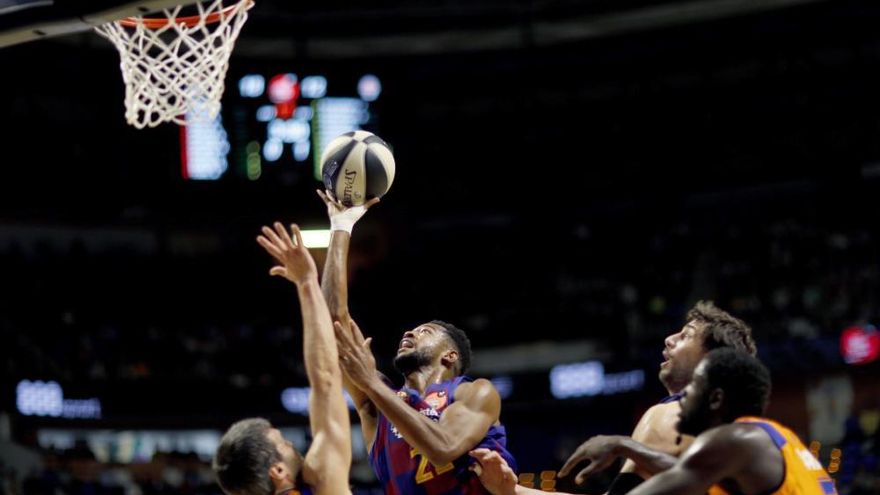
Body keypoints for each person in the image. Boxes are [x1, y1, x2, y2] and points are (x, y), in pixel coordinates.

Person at [317, 190, 517, 494]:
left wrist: (371, 382)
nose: (409, 333)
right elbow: (332, 325)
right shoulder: (378, 404)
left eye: (425, 331)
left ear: (450, 356)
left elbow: (443, 447)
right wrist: (341, 227)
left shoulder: (474, 392)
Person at [472, 348, 838, 495]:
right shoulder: (775, 438)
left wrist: (513, 492)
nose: (681, 396)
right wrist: (624, 444)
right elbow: (684, 469)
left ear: (715, 399)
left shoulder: (731, 441)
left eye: (693, 387)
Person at [212, 222, 352, 495]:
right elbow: (325, 381)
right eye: (284, 443)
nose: (292, 446)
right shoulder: (320, 482)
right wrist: (306, 282)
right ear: (278, 472)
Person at [558, 301, 756, 494]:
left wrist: (622, 445)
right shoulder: (734, 431)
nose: (669, 339)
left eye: (686, 335)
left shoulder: (669, 414)